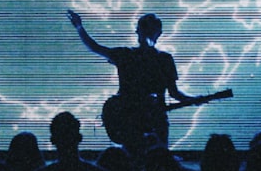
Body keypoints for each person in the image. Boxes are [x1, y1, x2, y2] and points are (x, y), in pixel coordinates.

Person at [66, 10, 207, 162]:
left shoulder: (135, 56)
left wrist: (80, 28)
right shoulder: (147, 57)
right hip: (142, 120)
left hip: (145, 120)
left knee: (144, 159)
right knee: (151, 160)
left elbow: (95, 47)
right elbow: (175, 94)